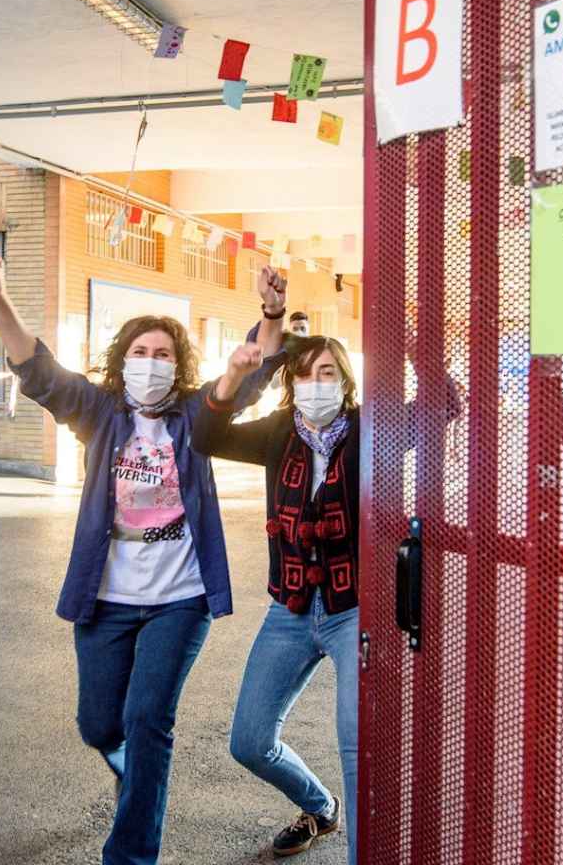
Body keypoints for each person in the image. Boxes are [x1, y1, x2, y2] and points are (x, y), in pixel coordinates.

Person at [0, 252, 289, 865]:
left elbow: (240, 383)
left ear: (178, 367)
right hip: (106, 598)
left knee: (148, 722)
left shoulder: (195, 418)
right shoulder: (99, 414)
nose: (151, 363)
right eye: (140, 353)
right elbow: (39, 372)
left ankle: (131, 852)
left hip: (180, 599)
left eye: (163, 354)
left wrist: (270, 314)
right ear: (123, 363)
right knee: (99, 725)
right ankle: (130, 772)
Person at [191, 336, 362, 860]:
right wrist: (234, 376)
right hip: (289, 606)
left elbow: (443, 408)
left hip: (351, 608)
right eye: (306, 374)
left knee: (357, 748)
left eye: (328, 373)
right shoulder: (278, 432)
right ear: (292, 384)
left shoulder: (370, 430)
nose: (317, 385)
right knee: (249, 741)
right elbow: (206, 434)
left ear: (346, 380)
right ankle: (320, 807)